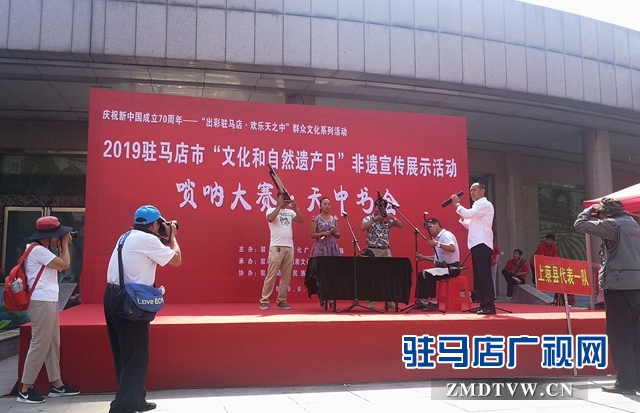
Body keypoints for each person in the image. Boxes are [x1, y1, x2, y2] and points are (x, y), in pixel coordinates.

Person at [104, 205, 181, 413]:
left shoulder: (126, 236)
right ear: (155, 224)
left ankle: (137, 398)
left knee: (125, 354)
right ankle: (122, 408)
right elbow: (176, 260)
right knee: (137, 356)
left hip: (113, 296)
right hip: (129, 300)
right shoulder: (148, 240)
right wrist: (173, 237)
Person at [574, 197, 640, 395]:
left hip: (618, 285)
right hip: (637, 285)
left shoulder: (612, 225)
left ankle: (626, 383)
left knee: (620, 335)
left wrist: (589, 211)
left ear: (607, 213)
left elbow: (580, 224)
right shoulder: (635, 226)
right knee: (635, 334)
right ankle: (637, 380)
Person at [17, 216, 80, 404]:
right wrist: (65, 244)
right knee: (40, 344)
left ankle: (57, 384)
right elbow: (65, 264)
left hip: (47, 300)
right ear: (49, 235)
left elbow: (59, 266)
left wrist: (61, 244)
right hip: (41, 301)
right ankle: (25, 389)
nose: (60, 236)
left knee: (52, 343)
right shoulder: (37, 250)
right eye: (58, 234)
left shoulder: (41, 250)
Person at [451, 183, 495, 315]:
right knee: (479, 277)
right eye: (470, 190)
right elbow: (470, 223)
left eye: (474, 190)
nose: (472, 192)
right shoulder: (477, 206)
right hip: (476, 244)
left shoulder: (485, 204)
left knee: (484, 276)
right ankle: (483, 304)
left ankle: (489, 306)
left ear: (483, 191)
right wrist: (463, 217)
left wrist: (457, 205)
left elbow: (469, 214)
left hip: (482, 243)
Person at [260, 193, 304, 310]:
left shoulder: (290, 212)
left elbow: (301, 220)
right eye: (282, 198)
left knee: (286, 276)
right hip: (276, 246)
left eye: (286, 199)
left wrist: (295, 207)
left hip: (289, 246)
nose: (285, 200)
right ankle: (264, 300)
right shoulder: (271, 210)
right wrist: (280, 206)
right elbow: (270, 219)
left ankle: (281, 301)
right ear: (277, 199)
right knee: (272, 274)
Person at [361, 205, 404, 309]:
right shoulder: (369, 218)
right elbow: (363, 227)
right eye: (378, 207)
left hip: (386, 250)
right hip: (373, 250)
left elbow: (400, 225)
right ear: (374, 208)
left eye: (383, 208)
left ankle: (389, 300)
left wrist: (392, 217)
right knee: (372, 276)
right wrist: (375, 219)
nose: (380, 210)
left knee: (388, 276)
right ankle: (371, 302)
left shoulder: (387, 219)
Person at [415, 218, 460, 310]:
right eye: (427, 229)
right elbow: (438, 258)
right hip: (443, 267)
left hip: (452, 268)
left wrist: (437, 244)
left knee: (429, 274)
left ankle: (433, 302)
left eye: (430, 227)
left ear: (437, 224)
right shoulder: (438, 238)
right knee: (421, 275)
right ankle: (424, 301)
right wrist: (424, 257)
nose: (429, 230)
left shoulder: (446, 235)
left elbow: (452, 248)